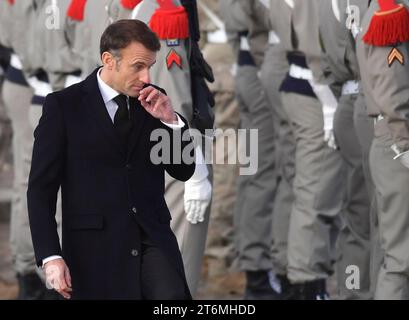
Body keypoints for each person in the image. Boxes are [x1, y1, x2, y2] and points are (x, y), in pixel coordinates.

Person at [27, 19, 195, 300]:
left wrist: (172, 122)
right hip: (93, 249)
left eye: (150, 67)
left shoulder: (155, 100)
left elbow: (183, 170)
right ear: (109, 60)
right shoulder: (63, 106)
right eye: (138, 66)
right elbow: (40, 189)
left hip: (152, 241)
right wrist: (50, 256)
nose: (146, 78)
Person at [131, 0, 213, 296]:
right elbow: (173, 101)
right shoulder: (165, 11)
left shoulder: (141, 8)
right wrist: (196, 174)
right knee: (179, 267)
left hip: (154, 146)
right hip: (176, 151)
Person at [357, 0, 409, 299]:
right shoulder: (390, 11)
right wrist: (404, 145)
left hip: (394, 138)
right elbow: (393, 89)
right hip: (399, 140)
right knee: (401, 259)